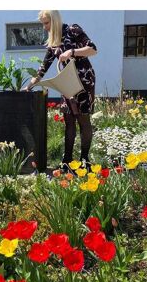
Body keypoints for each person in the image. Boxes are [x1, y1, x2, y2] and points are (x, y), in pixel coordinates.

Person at [23, 10, 98, 172]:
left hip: (84, 81)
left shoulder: (73, 30)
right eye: (43, 23)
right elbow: (42, 69)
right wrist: (28, 86)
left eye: (46, 23)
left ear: (55, 20)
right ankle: (67, 161)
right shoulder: (53, 42)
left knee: (83, 120)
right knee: (69, 120)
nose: (44, 27)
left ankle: (84, 160)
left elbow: (93, 49)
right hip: (67, 82)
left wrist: (71, 52)